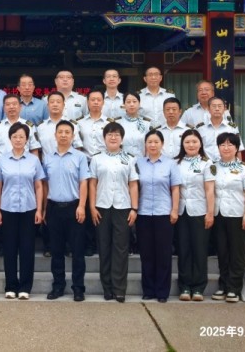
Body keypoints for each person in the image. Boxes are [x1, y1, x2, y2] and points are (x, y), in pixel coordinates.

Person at [0, 122, 45, 300]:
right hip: (8, 209)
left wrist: (39, 209)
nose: (18, 139)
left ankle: (25, 287)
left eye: (21, 136)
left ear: (27, 139)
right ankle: (10, 286)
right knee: (9, 248)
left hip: (29, 209)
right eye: (15, 136)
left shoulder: (34, 160)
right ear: (10, 139)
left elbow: (39, 186)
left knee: (27, 249)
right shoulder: (2, 160)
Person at [88, 122, 139, 303]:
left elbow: (133, 184)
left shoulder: (130, 159)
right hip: (101, 207)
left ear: (122, 139)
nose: (113, 137)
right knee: (104, 247)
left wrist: (134, 208)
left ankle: (119, 289)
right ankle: (107, 288)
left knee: (121, 248)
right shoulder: (97, 159)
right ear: (104, 138)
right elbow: (92, 184)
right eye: (109, 134)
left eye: (117, 134)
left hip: (122, 207)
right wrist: (92, 207)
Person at [0, 94, 41, 257]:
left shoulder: (28, 126)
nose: (11, 107)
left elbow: (34, 149)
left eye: (14, 104)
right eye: (8, 104)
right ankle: (2, 246)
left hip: (26, 166)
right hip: (2, 166)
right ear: (4, 107)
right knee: (3, 207)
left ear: (20, 107)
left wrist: (34, 168)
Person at [43, 120, 90, 302]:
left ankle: (78, 288)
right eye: (60, 132)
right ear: (55, 135)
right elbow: (44, 185)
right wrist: (44, 208)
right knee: (56, 251)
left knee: (77, 251)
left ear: (73, 136)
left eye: (67, 132)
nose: (63, 135)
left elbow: (84, 183)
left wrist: (82, 206)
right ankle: (58, 286)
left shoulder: (79, 157)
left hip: (74, 207)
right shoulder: (48, 158)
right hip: (54, 208)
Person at [136, 129, 181, 303]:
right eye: (150, 142)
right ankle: (148, 290)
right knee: (146, 253)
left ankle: (162, 291)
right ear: (145, 144)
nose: (153, 145)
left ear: (162, 144)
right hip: (143, 212)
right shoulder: (138, 163)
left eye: (156, 142)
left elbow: (175, 188)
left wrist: (174, 210)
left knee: (163, 254)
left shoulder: (170, 164)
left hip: (164, 213)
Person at [211, 132, 245, 303]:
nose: (226, 148)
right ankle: (223, 286)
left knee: (237, 253)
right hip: (218, 214)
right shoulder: (213, 167)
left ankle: (234, 289)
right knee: (222, 252)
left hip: (237, 214)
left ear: (237, 148)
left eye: (230, 144)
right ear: (218, 147)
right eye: (222, 144)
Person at [173, 129, 215, 302]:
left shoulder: (207, 163)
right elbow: (174, 188)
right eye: (187, 142)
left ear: (200, 144)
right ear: (182, 144)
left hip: (200, 211)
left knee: (199, 249)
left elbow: (210, 190)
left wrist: (210, 213)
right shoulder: (176, 163)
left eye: (194, 142)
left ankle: (198, 287)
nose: (191, 145)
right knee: (183, 249)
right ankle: (184, 286)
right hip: (181, 211)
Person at [77, 87, 111, 257]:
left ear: (103, 102)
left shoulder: (110, 124)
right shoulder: (79, 123)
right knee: (86, 203)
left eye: (99, 100)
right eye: (92, 100)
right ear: (88, 102)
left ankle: (103, 242)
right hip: (86, 165)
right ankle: (88, 243)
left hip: (105, 166)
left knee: (102, 202)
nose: (96, 103)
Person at [36, 91, 83, 161]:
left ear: (63, 105)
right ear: (48, 105)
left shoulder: (73, 125)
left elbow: (77, 147)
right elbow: (38, 150)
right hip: (47, 166)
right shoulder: (40, 127)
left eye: (58, 102)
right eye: (52, 102)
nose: (55, 104)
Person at [197, 96, 244, 162]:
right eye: (214, 106)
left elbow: (238, 148)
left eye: (219, 106)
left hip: (227, 164)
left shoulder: (232, 127)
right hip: (206, 164)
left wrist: (239, 165)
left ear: (224, 109)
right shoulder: (200, 128)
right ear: (208, 109)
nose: (217, 109)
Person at [116, 92, 151, 158]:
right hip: (122, 160)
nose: (131, 104)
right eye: (128, 102)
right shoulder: (118, 123)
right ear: (124, 104)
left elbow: (149, 145)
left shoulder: (146, 123)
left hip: (141, 160)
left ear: (139, 104)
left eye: (134, 102)